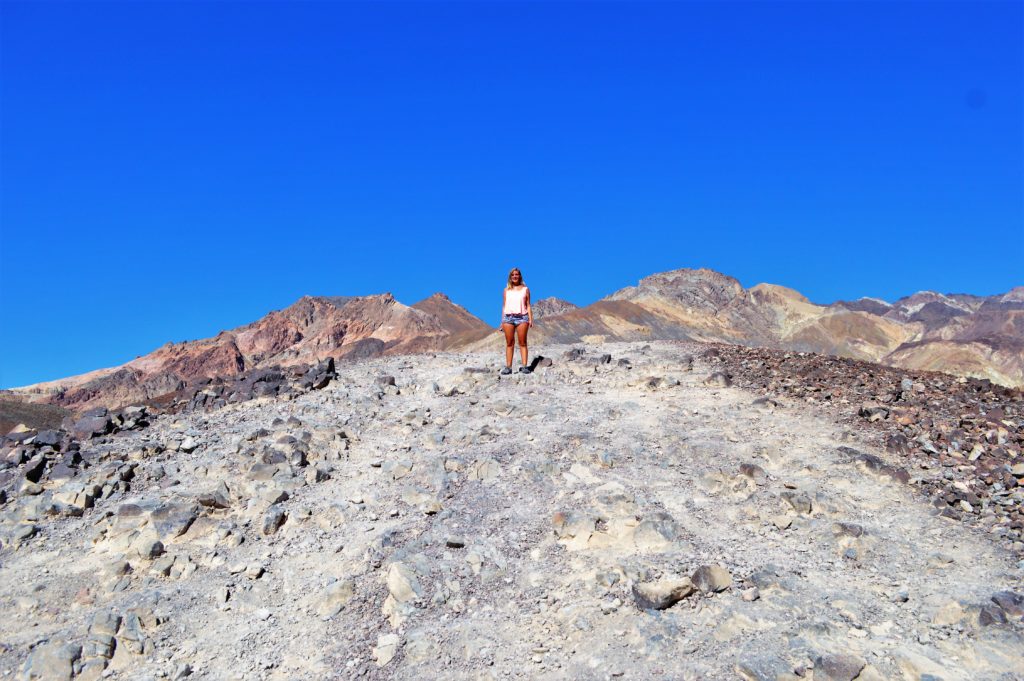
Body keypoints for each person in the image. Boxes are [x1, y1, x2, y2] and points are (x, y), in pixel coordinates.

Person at [500, 267, 533, 374]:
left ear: (520, 276)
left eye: (517, 274)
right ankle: (508, 367)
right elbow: (504, 306)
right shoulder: (506, 290)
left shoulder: (525, 289)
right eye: (513, 274)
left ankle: (524, 366)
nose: (515, 276)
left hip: (522, 317)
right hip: (508, 318)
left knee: (522, 342)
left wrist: (530, 319)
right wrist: (502, 320)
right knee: (509, 343)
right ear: (510, 277)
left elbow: (528, 305)